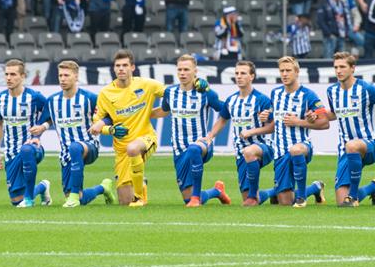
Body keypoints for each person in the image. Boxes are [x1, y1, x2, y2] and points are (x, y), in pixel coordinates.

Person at [151, 54, 231, 207]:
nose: (182, 73)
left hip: (201, 145)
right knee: (186, 198)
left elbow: (225, 111)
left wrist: (210, 136)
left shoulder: (206, 92)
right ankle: (216, 191)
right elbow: (164, 110)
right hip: (179, 148)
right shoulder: (170, 92)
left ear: (195, 71)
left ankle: (196, 199)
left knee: (194, 149)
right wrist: (143, 115)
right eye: (179, 69)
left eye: (186, 69)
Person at [33, 60, 115, 208]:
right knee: (79, 198)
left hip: (89, 146)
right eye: (60, 75)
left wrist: (101, 123)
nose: (63, 79)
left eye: (66, 75)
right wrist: (39, 133)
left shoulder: (90, 98)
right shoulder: (52, 101)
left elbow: (110, 116)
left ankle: (74, 197)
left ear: (76, 77)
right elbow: (46, 120)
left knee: (76, 148)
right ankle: (103, 188)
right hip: (66, 153)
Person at [90, 50, 166, 207]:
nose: (121, 69)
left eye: (125, 65)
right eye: (118, 66)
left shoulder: (147, 85)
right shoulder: (106, 93)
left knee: (133, 149)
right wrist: (110, 130)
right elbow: (95, 126)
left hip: (146, 138)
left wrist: (156, 112)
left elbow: (172, 94)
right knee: (125, 202)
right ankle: (141, 185)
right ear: (113, 68)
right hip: (121, 149)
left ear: (132, 67)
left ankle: (139, 197)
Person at [205, 61, 275, 206]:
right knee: (247, 200)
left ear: (252, 77)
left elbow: (273, 127)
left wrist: (252, 132)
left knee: (250, 152)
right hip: (240, 151)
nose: (239, 76)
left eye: (243, 73)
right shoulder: (231, 101)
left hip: (263, 146)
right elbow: (222, 120)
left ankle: (253, 197)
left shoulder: (262, 100)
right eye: (236, 73)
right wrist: (210, 136)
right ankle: (272, 192)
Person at [324, 52, 375, 207]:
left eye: (342, 67)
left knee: (352, 145)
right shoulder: (332, 91)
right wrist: (314, 115)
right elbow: (334, 114)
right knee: (341, 202)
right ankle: (373, 187)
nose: (338, 71)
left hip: (369, 145)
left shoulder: (366, 89)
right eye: (336, 67)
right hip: (345, 149)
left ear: (353, 68)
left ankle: (353, 196)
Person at [269, 56, 329, 207]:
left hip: (301, 147)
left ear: (296, 72)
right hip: (280, 152)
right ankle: (316, 188)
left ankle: (301, 198)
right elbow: (273, 119)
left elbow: (325, 122)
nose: (284, 74)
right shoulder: (275, 94)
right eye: (282, 71)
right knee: (285, 202)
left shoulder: (308, 95)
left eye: (288, 70)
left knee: (295, 150)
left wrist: (300, 122)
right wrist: (266, 115)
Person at [0, 59, 52, 208]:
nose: (8, 78)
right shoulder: (0, 99)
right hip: (11, 152)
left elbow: (52, 112)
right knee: (16, 201)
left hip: (32, 148)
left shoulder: (35, 97)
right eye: (6, 74)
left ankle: (29, 200)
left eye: (13, 74)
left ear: (23, 76)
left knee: (26, 150)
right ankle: (43, 187)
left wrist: (43, 127)